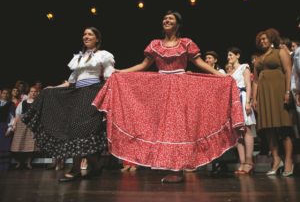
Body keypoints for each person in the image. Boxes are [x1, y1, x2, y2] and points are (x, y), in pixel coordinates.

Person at [93, 10, 244, 183]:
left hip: (181, 88)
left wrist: (221, 75)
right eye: (164, 18)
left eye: (170, 18)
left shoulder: (186, 43)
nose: (166, 20)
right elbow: (144, 65)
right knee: (162, 128)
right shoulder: (155, 44)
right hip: (160, 89)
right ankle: (173, 168)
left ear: (178, 24)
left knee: (178, 128)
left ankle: (178, 170)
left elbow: (200, 63)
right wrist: (122, 72)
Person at [22, 27, 115, 182]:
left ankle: (76, 170)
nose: (86, 36)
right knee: (78, 131)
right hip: (78, 94)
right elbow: (71, 82)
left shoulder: (103, 55)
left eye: (90, 34)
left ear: (97, 38)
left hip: (93, 94)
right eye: (84, 34)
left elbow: (109, 77)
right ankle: (94, 167)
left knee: (83, 131)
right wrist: (52, 88)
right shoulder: (78, 57)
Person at [252, 28, 294, 177]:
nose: (262, 41)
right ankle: (277, 160)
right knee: (268, 129)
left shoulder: (280, 51)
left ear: (271, 39)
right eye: (260, 40)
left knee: (284, 127)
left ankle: (288, 160)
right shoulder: (258, 58)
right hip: (264, 95)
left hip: (278, 92)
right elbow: (255, 81)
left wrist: (288, 91)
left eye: (265, 39)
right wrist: (254, 98)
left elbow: (288, 71)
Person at [227, 47, 256, 174]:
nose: (229, 57)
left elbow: (248, 84)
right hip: (233, 102)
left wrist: (248, 102)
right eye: (228, 55)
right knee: (237, 133)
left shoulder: (244, 67)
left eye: (231, 55)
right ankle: (242, 162)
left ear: (238, 55)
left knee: (247, 129)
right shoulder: (230, 72)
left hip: (242, 98)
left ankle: (249, 162)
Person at [10, 86, 38, 169]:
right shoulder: (23, 102)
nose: (33, 93)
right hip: (22, 124)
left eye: (35, 91)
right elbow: (17, 114)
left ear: (37, 93)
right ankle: (19, 162)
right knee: (19, 143)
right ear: (29, 92)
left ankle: (29, 163)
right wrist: (14, 124)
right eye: (31, 91)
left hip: (32, 124)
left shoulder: (38, 102)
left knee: (30, 145)